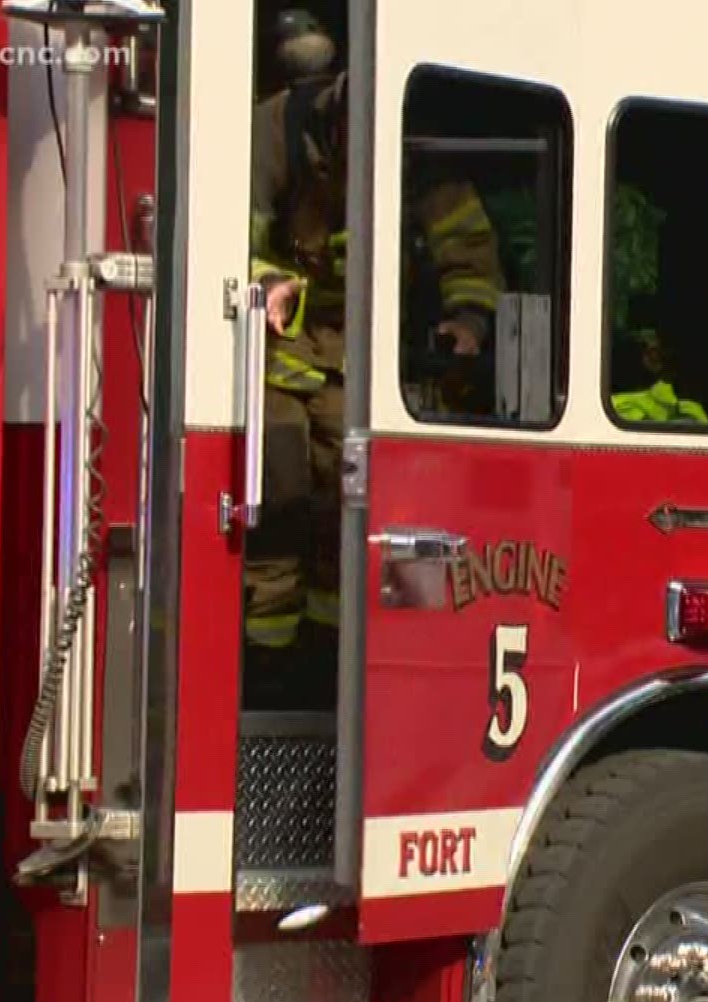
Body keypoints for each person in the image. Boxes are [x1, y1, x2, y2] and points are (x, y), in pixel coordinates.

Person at [243, 9, 505, 706]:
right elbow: (228, 225)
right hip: (277, 354)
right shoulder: (277, 129)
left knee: (344, 517)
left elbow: (467, 250)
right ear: (336, 116)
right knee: (280, 503)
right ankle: (265, 675)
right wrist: (267, 282)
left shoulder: (418, 150)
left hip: (361, 366)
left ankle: (324, 671)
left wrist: (468, 321)